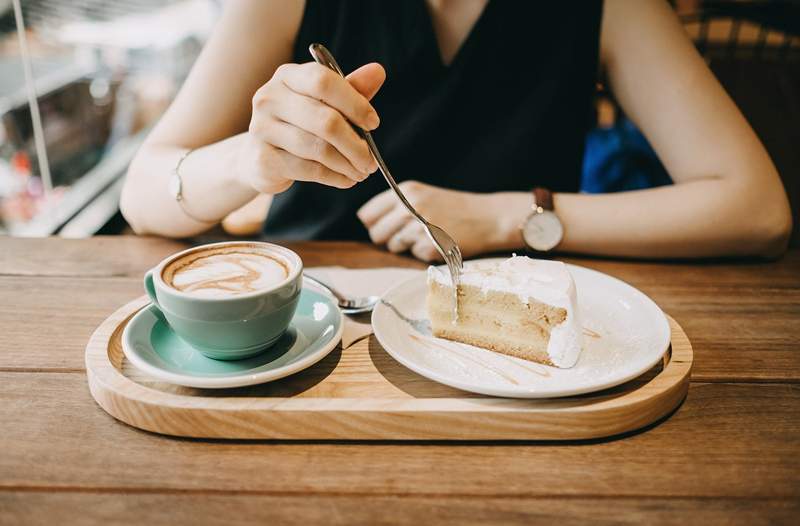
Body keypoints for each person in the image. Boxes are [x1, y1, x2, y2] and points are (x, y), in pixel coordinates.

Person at [120, 0, 793, 260]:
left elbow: (756, 207)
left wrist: (511, 218)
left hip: (509, 337)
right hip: (309, 336)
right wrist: (248, 164)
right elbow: (143, 194)